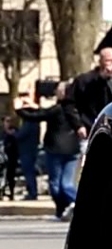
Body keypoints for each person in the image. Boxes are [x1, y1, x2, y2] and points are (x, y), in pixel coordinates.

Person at [14, 83, 85, 220]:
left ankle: (69, 206)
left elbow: (38, 116)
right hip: (73, 149)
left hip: (55, 149)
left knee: (57, 185)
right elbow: (43, 112)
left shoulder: (57, 109)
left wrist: (19, 110)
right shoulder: (78, 110)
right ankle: (67, 209)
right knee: (67, 182)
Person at [70, 46, 112, 128]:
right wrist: (78, 125)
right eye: (109, 61)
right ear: (100, 61)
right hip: (92, 128)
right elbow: (70, 104)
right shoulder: (85, 80)